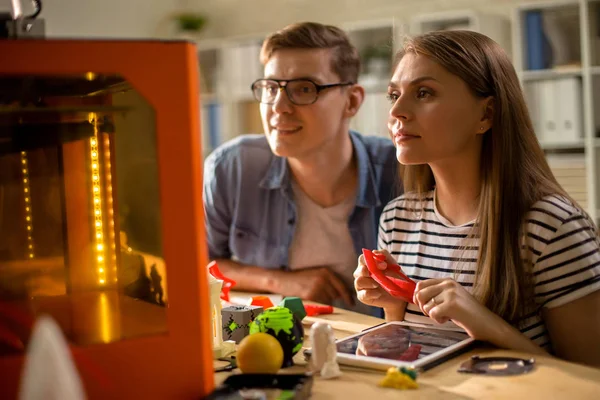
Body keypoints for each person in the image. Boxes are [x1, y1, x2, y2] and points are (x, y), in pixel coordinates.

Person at [353, 30, 600, 366]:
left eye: (423, 93)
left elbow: (588, 380)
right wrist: (392, 300)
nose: (397, 111)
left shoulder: (552, 228)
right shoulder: (397, 218)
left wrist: (481, 321)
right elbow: (414, 349)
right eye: (394, 94)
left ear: (486, 114)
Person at [203, 22, 400, 314]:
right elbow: (199, 266)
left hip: (380, 349)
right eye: (271, 87)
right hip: (280, 348)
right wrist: (282, 282)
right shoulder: (232, 168)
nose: (279, 106)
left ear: (352, 100)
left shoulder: (400, 172)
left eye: (304, 88)